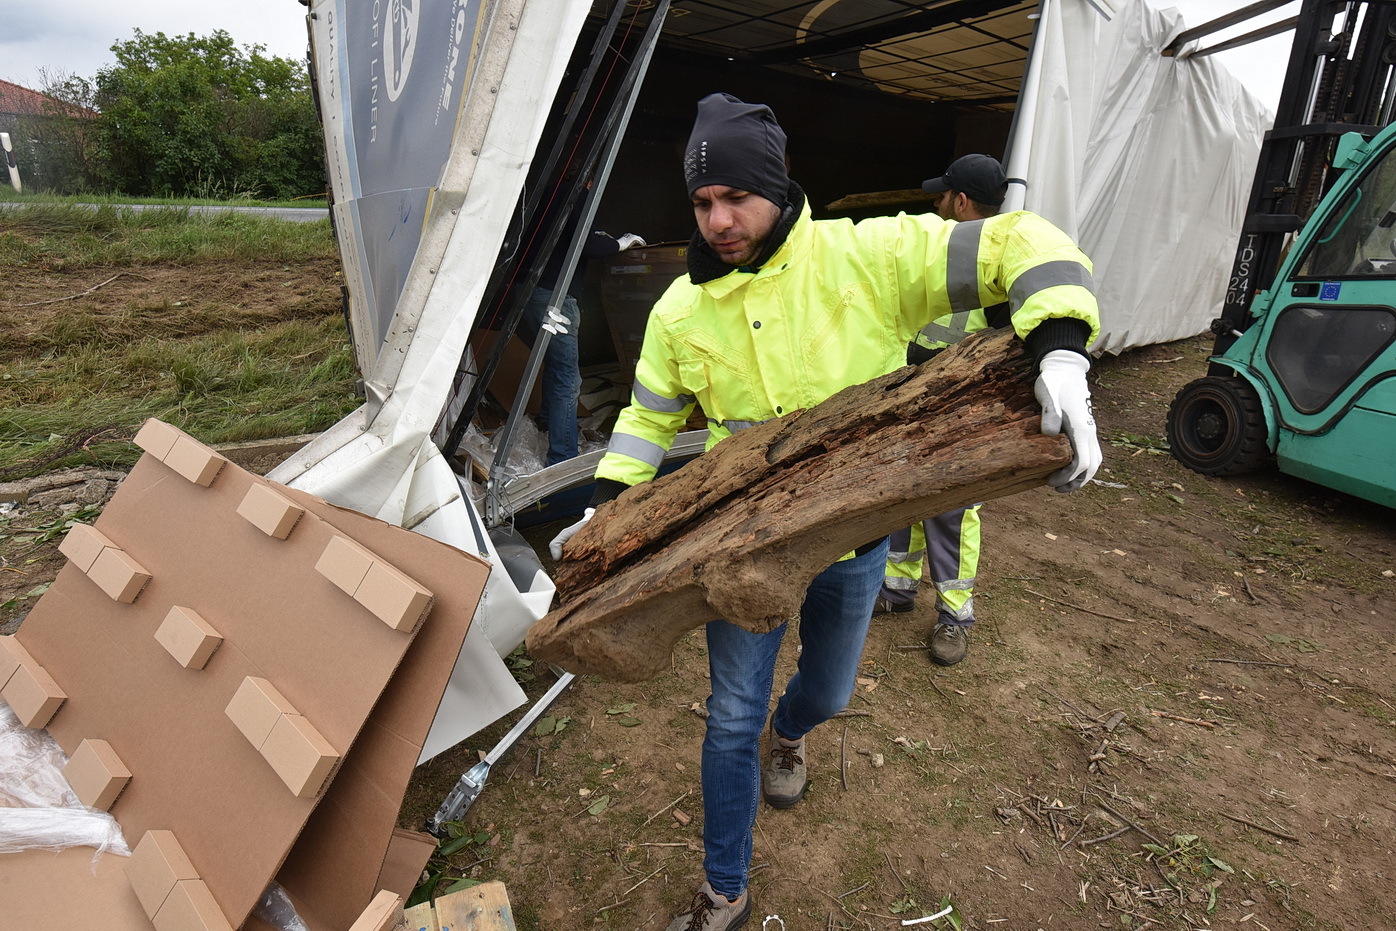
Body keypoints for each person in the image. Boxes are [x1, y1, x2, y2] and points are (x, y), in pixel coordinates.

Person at [549, 94, 1101, 931]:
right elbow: (646, 419)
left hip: (854, 542)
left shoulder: (871, 256)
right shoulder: (679, 311)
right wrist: (605, 510)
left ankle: (794, 729)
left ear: (779, 183)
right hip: (738, 555)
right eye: (702, 202)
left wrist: (1060, 342)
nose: (719, 219)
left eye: (736, 196)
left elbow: (1017, 241)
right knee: (727, 715)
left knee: (830, 690)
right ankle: (724, 890)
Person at [875, 153, 1011, 668]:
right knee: (902, 496)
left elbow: (1006, 342)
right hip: (913, 397)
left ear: (960, 200)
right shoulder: (936, 250)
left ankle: (955, 615)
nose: (935, 204)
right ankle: (898, 588)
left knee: (952, 511)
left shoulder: (999, 262)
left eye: (943, 195)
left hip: (961, 410)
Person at [517, 195, 645, 466]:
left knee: (555, 363)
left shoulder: (546, 198)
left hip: (530, 292)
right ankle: (563, 457)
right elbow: (589, 244)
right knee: (567, 377)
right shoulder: (576, 198)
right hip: (556, 297)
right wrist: (620, 243)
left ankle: (548, 423)